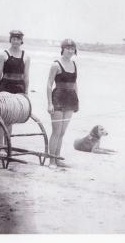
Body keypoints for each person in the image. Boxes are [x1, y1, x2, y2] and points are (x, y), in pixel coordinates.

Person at [47, 39, 79, 167]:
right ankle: (51, 160)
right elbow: (49, 85)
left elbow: (75, 84)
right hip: (58, 98)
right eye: (68, 48)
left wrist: (77, 100)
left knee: (62, 132)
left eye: (72, 49)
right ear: (63, 49)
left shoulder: (74, 64)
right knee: (56, 131)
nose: (70, 51)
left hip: (70, 99)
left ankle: (57, 159)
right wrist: (49, 103)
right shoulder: (56, 64)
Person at [0, 30, 30, 143]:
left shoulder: (26, 56)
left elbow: (26, 76)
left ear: (21, 41)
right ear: (10, 40)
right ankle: (0, 143)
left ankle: (7, 143)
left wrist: (26, 92)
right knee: (3, 115)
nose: (15, 41)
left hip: (19, 87)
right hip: (5, 85)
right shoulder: (3, 54)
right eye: (13, 39)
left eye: (18, 39)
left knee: (12, 116)